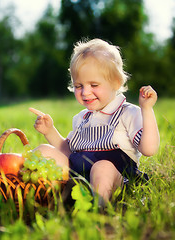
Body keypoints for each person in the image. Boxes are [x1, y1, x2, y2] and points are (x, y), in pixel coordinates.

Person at [29, 38, 160, 206]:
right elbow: (68, 152)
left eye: (94, 84)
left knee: (102, 167)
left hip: (116, 179)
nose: (85, 92)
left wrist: (147, 110)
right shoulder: (82, 118)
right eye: (79, 86)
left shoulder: (128, 113)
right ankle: (22, 189)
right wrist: (50, 131)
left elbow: (149, 149)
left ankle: (99, 209)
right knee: (44, 151)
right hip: (78, 179)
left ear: (116, 82)